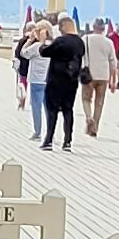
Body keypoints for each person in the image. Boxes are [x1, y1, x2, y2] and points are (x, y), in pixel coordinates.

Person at [40, 14, 86, 150]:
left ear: (65, 26)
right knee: (68, 110)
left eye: (60, 27)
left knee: (52, 110)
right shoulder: (80, 43)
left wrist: (42, 42)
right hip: (71, 80)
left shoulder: (61, 41)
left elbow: (45, 52)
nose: (59, 30)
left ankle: (49, 140)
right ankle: (67, 141)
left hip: (56, 79)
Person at [80, 19, 117, 134]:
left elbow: (80, 55)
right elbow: (113, 63)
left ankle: (88, 117)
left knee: (86, 98)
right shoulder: (108, 42)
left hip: (89, 75)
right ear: (103, 29)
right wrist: (113, 80)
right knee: (99, 102)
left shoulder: (85, 39)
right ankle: (94, 127)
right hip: (103, 76)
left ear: (93, 27)